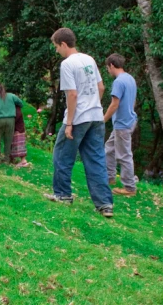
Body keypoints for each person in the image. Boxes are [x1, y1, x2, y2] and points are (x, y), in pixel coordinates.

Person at [45, 28, 114, 218]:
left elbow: (72, 94)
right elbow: (101, 87)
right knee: (96, 160)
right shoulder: (89, 59)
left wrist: (69, 123)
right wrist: (93, 106)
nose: (56, 51)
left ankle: (62, 194)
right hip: (96, 116)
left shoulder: (68, 64)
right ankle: (105, 204)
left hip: (78, 118)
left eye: (56, 47)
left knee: (62, 155)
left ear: (64, 44)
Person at [103, 53, 138, 196]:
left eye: (107, 68)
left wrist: (103, 119)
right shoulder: (130, 78)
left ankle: (129, 187)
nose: (108, 71)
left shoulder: (118, 82)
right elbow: (132, 100)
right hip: (129, 120)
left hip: (122, 124)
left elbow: (114, 104)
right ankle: (109, 177)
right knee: (109, 149)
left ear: (111, 65)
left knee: (123, 156)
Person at [0, 83, 22, 163]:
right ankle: (7, 159)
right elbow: (20, 103)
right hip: (11, 120)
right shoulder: (11, 96)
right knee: (8, 140)